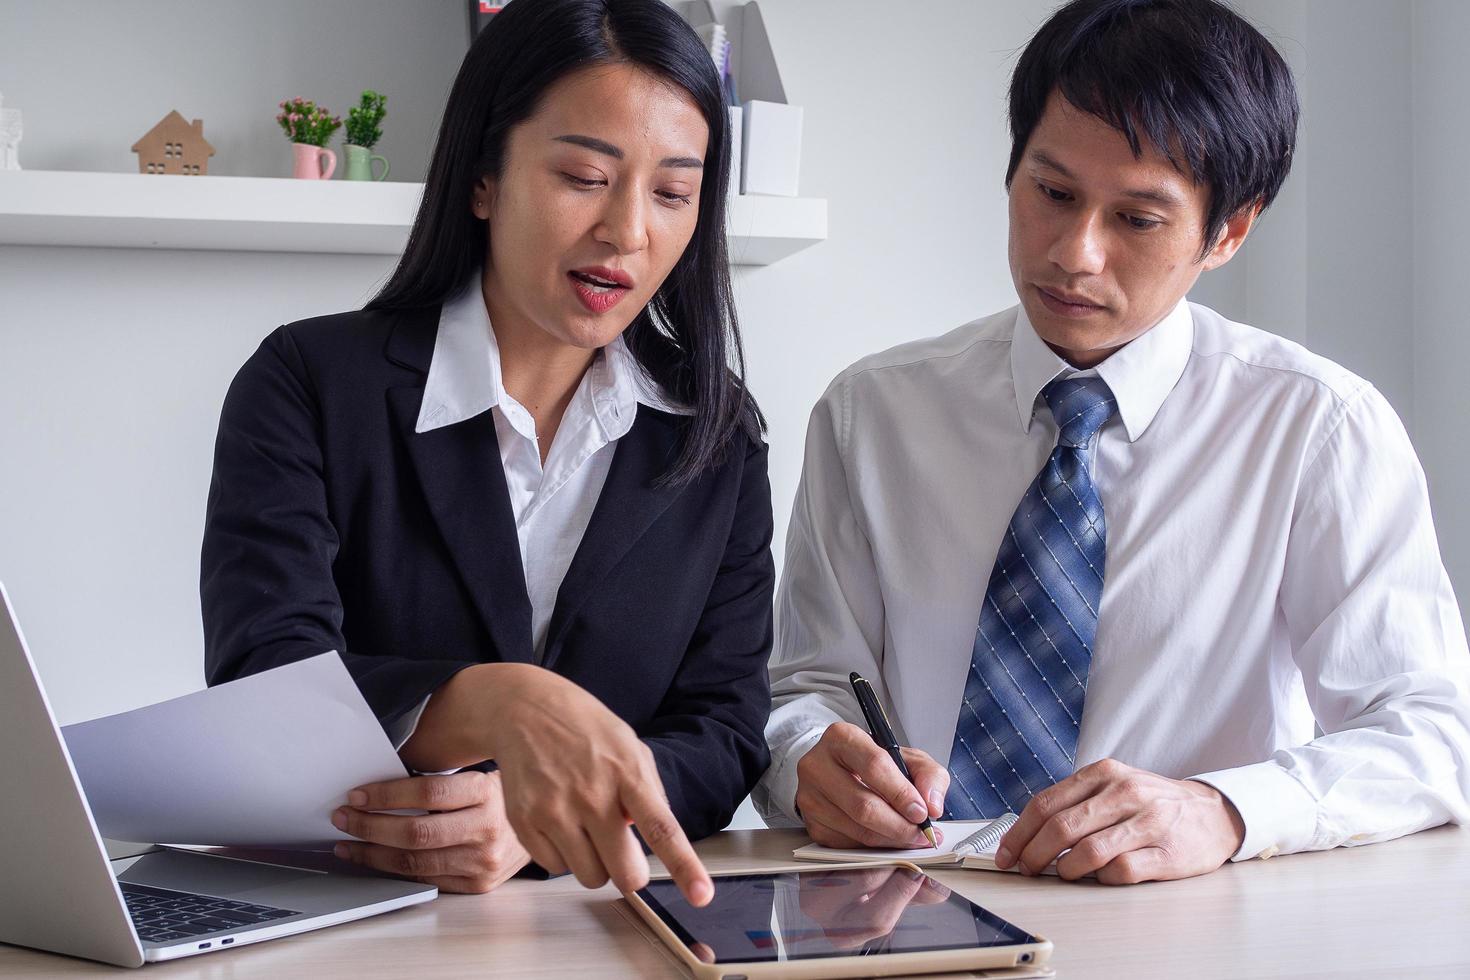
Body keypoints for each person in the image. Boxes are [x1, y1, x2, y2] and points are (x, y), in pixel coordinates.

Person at [756, 0, 1470, 885]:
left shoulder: (1318, 428)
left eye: (1137, 219)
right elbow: (804, 689)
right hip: (909, 909)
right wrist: (808, 763)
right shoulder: (873, 414)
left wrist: (1224, 809)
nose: (1074, 254)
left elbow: (1430, 734)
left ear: (1230, 231)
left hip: (1197, 925)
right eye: (1051, 193)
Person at [201, 0, 774, 904]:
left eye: (672, 193)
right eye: (586, 175)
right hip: (342, 919)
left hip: (595, 925)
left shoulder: (718, 433)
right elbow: (264, 679)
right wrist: (497, 703)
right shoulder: (308, 381)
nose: (628, 231)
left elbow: (726, 730)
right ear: (483, 177)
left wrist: (535, 814)